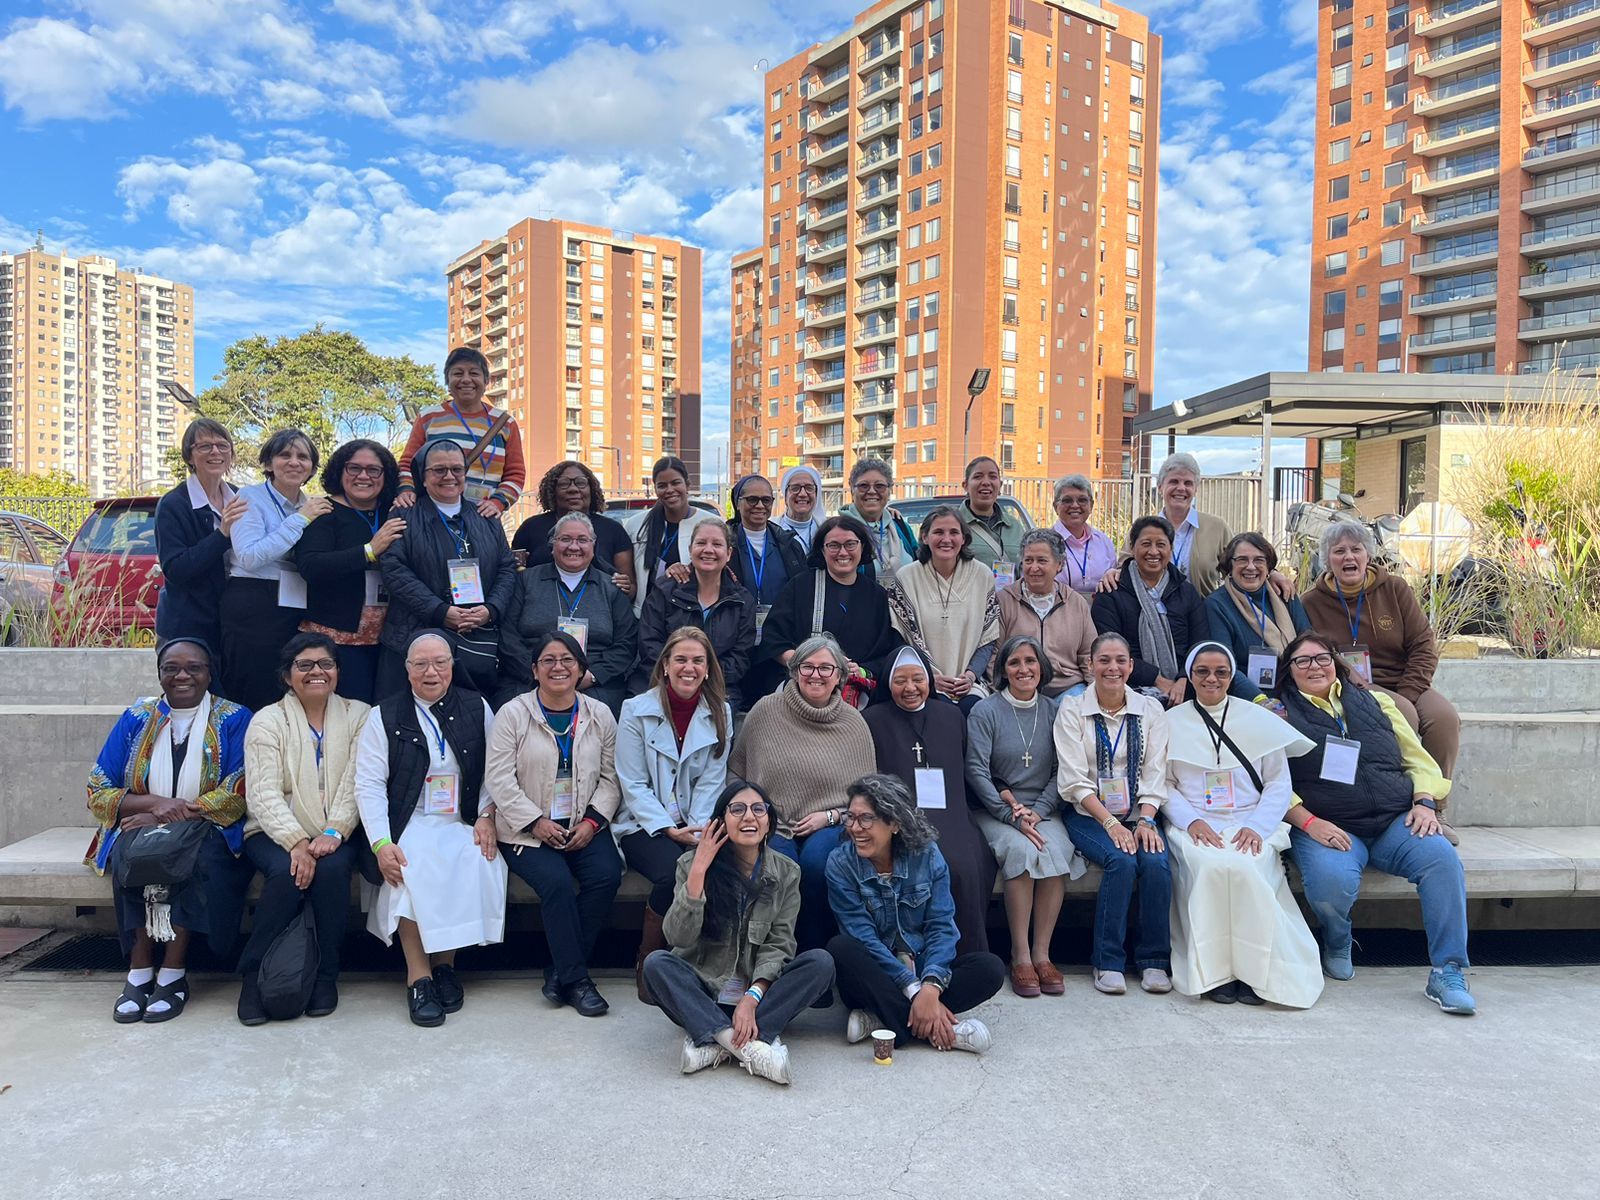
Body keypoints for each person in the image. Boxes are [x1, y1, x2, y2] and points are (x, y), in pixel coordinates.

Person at [1274, 631, 1475, 1015]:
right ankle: (1336, 938)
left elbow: (1416, 758)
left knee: (1441, 860)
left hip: (1395, 820)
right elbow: (1270, 781)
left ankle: (1448, 970)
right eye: (1302, 661)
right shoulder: (1279, 715)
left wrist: (1425, 802)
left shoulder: (1377, 701)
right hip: (1328, 825)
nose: (1314, 666)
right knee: (1332, 881)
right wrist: (1309, 822)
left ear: (1336, 662)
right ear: (1289, 671)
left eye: (1322, 658)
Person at [85, 638, 253, 1025]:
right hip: (138, 823)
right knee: (132, 854)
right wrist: (153, 807)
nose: (182, 675)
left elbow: (238, 791)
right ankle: (139, 970)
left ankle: (174, 972)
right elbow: (98, 788)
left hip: (207, 825)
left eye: (194, 668)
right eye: (171, 668)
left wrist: (171, 815)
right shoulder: (137, 717)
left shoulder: (234, 718)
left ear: (210, 673)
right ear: (159, 673)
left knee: (194, 860)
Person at [354, 630, 506, 1027]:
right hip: (408, 819)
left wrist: (488, 815)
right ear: (406, 671)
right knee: (410, 867)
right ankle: (418, 976)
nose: (431, 672)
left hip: (460, 817)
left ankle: (445, 966)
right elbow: (368, 784)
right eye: (420, 664)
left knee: (473, 857)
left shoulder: (477, 707)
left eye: (440, 663)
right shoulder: (382, 715)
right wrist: (381, 842)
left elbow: (495, 771)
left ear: (453, 667)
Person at [642, 781, 836, 1084]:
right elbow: (678, 938)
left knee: (821, 963)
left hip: (758, 1001)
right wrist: (698, 873)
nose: (749, 817)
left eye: (759, 809)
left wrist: (752, 997)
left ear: (769, 821)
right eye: (737, 809)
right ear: (720, 821)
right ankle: (746, 1046)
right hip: (704, 994)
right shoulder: (690, 865)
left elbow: (780, 944)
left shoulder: (787, 872)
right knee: (656, 965)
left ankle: (713, 1042)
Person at [1162, 642, 1323, 1008]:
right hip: (1195, 823)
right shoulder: (1170, 722)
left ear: (1232, 676)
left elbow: (1279, 784)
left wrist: (1258, 826)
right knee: (1211, 868)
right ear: (1190, 675)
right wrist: (1192, 820)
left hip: (1251, 822)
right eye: (1202, 671)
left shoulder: (1258, 721)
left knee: (1247, 869)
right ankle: (1217, 974)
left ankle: (1256, 973)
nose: (1211, 679)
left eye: (1221, 671)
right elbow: (1164, 784)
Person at [485, 629, 624, 1018]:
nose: (558, 667)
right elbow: (498, 779)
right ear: (534, 670)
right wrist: (535, 822)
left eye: (567, 660)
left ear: (581, 668)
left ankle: (559, 971)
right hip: (525, 829)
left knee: (606, 874)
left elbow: (612, 778)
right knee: (558, 883)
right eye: (548, 660)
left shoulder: (600, 714)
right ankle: (578, 980)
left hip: (583, 823)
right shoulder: (513, 713)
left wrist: (593, 823)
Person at [237, 633, 367, 1024]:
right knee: (284, 874)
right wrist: (296, 842)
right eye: (305, 665)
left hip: (336, 831)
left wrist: (335, 831)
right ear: (288, 675)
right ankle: (253, 977)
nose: (316, 672)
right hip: (273, 832)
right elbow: (261, 793)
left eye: (325, 664)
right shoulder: (267, 720)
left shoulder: (361, 715)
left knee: (332, 872)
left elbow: (357, 782)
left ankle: (325, 974)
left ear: (338, 672)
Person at [825, 775, 1005, 1054]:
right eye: (850, 817)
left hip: (920, 964)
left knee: (990, 969)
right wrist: (914, 991)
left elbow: (941, 926)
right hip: (878, 974)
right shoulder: (840, 864)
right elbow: (862, 937)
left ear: (895, 823)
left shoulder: (927, 856)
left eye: (866, 819)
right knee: (842, 948)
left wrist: (931, 986)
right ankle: (943, 1030)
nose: (855, 828)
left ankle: (884, 1021)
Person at [730, 634, 877, 950]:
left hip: (833, 823)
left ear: (839, 675)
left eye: (826, 668)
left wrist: (830, 816)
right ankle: (770, 959)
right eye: (807, 666)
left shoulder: (854, 723)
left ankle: (813, 956)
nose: (816, 675)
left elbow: (868, 797)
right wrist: (750, 815)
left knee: (815, 865)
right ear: (794, 671)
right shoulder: (765, 711)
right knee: (778, 870)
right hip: (771, 822)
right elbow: (737, 771)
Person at [1053, 632, 1173, 995]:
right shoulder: (1073, 710)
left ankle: (1154, 960)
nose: (1112, 667)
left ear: (1131, 666)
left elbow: (1157, 771)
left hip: (1139, 812)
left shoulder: (1151, 710)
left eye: (1120, 660)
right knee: (1121, 860)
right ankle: (1107, 961)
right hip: (1088, 814)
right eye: (1104, 660)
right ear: (1090, 666)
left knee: (1155, 862)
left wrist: (1147, 819)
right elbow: (1074, 780)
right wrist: (1110, 823)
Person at [1299, 520, 1462, 789]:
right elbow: (1315, 654)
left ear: (1368, 555)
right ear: (1328, 559)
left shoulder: (1395, 589)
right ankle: (1402, 801)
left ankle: (1434, 804)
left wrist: (1410, 690)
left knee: (1444, 719)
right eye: (1339, 551)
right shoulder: (1311, 602)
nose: (1349, 557)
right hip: (1352, 686)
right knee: (1403, 714)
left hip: (1406, 681)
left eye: (1356, 549)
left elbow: (1422, 644)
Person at [617, 627, 732, 1005]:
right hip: (644, 823)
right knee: (674, 870)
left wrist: (695, 829)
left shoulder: (720, 713)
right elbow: (632, 782)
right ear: (665, 665)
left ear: (708, 668)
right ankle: (649, 957)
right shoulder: (636, 710)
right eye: (680, 659)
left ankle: (701, 965)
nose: (689, 667)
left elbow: (712, 781)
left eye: (698, 660)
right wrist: (669, 828)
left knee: (716, 862)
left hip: (695, 822)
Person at [965, 636, 1084, 997]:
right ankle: (1019, 955)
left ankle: (1042, 954)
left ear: (1042, 667)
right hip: (995, 811)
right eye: (1014, 662)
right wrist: (1011, 815)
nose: (1023, 669)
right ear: (1002, 670)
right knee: (1021, 851)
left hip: (1043, 808)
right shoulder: (985, 711)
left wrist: (1040, 810)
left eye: (1030, 661)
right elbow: (976, 770)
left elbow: (1061, 769)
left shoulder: (1054, 711)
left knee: (1054, 849)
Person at [865, 647, 997, 956]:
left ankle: (966, 956)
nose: (910, 688)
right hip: (898, 818)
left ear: (929, 681)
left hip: (952, 813)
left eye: (917, 679)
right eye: (900, 681)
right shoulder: (872, 720)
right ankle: (914, 954)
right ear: (888, 683)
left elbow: (971, 768)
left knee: (966, 866)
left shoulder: (952, 716)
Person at [378, 438, 516, 700]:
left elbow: (506, 568)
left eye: (456, 469)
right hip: (417, 635)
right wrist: (439, 611)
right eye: (439, 470)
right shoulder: (403, 514)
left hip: (478, 640)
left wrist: (491, 610)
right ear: (423, 475)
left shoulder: (485, 516)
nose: (449, 476)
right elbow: (394, 570)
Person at [220, 428, 332, 712]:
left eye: (303, 457)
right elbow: (249, 556)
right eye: (285, 455)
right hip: (253, 604)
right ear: (269, 464)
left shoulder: (311, 505)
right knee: (252, 692)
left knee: (287, 696)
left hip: (294, 605)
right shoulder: (248, 497)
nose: (294, 462)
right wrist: (299, 521)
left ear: (312, 468)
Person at [292, 439, 407, 704]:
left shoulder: (394, 512)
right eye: (354, 468)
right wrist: (369, 550)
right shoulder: (324, 512)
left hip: (388, 641)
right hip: (335, 642)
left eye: (373, 470)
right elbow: (311, 566)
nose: (363, 476)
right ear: (339, 471)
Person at [752, 513, 902, 708]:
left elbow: (886, 651)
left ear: (862, 547)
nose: (842, 552)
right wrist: (805, 664)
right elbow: (773, 639)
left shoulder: (877, 595)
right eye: (833, 545)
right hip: (804, 688)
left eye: (850, 544)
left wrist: (862, 671)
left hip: (858, 697)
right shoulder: (800, 587)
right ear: (822, 550)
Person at [499, 512, 637, 715]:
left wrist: (593, 675)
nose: (574, 547)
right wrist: (539, 673)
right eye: (565, 539)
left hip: (593, 685)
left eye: (582, 540)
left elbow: (627, 643)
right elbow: (507, 635)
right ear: (552, 545)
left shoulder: (611, 588)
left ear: (593, 545)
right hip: (530, 680)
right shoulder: (526, 581)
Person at [886, 507, 1000, 714]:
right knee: (941, 712)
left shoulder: (982, 576)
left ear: (964, 539)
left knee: (974, 711)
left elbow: (988, 637)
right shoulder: (907, 577)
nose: (946, 539)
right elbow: (901, 637)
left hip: (970, 681)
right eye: (938, 532)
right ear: (925, 537)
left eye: (954, 533)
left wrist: (970, 675)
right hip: (924, 679)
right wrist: (929, 676)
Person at [635, 519, 757, 709]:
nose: (708, 550)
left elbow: (741, 657)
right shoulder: (665, 591)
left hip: (719, 688)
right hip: (665, 682)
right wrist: (678, 678)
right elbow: (649, 643)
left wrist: (702, 677)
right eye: (701, 543)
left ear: (729, 553)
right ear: (690, 549)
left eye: (717, 544)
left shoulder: (742, 601)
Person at [1090, 515, 1210, 709]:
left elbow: (1200, 643)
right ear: (1132, 546)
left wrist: (1183, 679)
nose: (1153, 551)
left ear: (1170, 548)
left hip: (1185, 688)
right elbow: (1108, 650)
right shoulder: (1111, 593)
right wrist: (1157, 679)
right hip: (1129, 688)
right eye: (1146, 544)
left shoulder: (1186, 592)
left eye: (1161, 544)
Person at [154, 418, 245, 671]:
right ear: (190, 456)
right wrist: (222, 534)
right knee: (193, 700)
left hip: (232, 623)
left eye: (222, 445)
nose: (215, 452)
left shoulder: (241, 497)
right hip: (187, 626)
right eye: (205, 446)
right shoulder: (174, 504)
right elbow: (176, 569)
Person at [394, 346, 525, 516]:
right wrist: (406, 490)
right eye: (457, 373)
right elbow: (407, 464)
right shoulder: (429, 417)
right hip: (433, 516)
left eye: (474, 373)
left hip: (482, 516)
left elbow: (515, 473)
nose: (466, 379)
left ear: (486, 381)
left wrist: (498, 502)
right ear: (448, 381)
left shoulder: (506, 424)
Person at [1204, 532, 1311, 702]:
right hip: (1250, 699)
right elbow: (1224, 665)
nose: (1251, 567)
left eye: (1259, 560)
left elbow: (1308, 643)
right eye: (1242, 560)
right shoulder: (1217, 605)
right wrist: (1261, 701)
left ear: (1269, 567)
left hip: (1299, 691)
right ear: (1229, 565)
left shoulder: (1284, 593)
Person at [511, 460, 635, 600]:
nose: (573, 489)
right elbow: (514, 576)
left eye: (580, 482)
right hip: (540, 607)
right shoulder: (531, 528)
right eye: (564, 484)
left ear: (591, 489)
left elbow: (630, 590)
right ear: (553, 491)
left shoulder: (613, 529)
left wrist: (625, 586)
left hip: (598, 611)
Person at [997, 528, 1095, 698]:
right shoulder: (1005, 600)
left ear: (1059, 565)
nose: (1034, 568)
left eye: (1042, 561)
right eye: (1028, 560)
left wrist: (1096, 691)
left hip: (1066, 689)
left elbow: (1089, 655)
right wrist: (999, 690)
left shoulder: (1076, 602)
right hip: (1017, 689)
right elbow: (994, 654)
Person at [627, 455, 720, 614]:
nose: (670, 490)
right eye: (662, 485)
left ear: (687, 485)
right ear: (655, 489)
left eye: (676, 483)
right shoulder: (635, 525)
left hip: (692, 619)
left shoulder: (711, 523)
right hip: (644, 620)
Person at [727, 474, 808, 631]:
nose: (759, 505)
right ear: (738, 503)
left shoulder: (790, 545)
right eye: (752, 499)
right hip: (736, 634)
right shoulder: (723, 544)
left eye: (766, 500)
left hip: (781, 635)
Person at [1148, 452, 1232, 596]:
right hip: (1153, 616)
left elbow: (1240, 565)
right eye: (1174, 481)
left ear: (1196, 489)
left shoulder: (1217, 528)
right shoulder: (1144, 529)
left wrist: (1272, 574)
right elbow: (1123, 568)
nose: (1181, 488)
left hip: (1202, 614)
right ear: (1160, 487)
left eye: (1188, 483)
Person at [839, 456, 918, 577]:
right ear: (852, 490)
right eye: (864, 486)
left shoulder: (901, 527)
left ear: (889, 490)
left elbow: (920, 564)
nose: (871, 491)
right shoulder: (839, 530)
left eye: (879, 486)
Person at [957, 456, 1026, 582]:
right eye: (978, 476)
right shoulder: (953, 525)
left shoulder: (1015, 526)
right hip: (969, 600)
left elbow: (1025, 569)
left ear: (1000, 484)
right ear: (965, 485)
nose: (986, 482)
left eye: (993, 476)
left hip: (1008, 600)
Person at [1050, 474, 1118, 596]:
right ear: (1055, 506)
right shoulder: (1045, 543)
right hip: (1057, 612)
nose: (1075, 505)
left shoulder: (1103, 542)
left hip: (1100, 612)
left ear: (1091, 505)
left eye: (1082, 500)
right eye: (1067, 500)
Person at [774, 464, 826, 553]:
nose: (802, 494)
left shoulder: (825, 530)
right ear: (786, 496)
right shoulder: (771, 530)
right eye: (795, 488)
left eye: (809, 488)